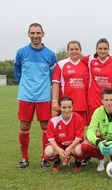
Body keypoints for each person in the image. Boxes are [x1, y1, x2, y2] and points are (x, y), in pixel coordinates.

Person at [14, 23, 56, 168]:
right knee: (24, 126)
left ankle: (45, 157)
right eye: (33, 33)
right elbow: (18, 72)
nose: (35, 35)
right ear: (28, 34)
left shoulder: (50, 54)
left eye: (38, 33)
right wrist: (26, 86)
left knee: (45, 126)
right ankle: (24, 158)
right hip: (26, 96)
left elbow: (52, 76)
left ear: (43, 34)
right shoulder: (21, 52)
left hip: (44, 96)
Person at [81, 38, 112, 124]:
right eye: (100, 48)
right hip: (94, 99)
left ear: (108, 50)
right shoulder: (90, 59)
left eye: (105, 49)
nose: (102, 51)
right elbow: (77, 62)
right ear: (96, 49)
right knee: (94, 126)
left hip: (110, 100)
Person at [52, 40, 89, 125]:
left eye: (76, 49)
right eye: (71, 49)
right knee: (66, 128)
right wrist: (54, 100)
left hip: (82, 104)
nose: (74, 51)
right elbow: (55, 83)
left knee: (80, 129)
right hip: (66, 104)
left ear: (80, 50)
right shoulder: (61, 64)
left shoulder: (85, 64)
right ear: (68, 50)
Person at [44, 97, 85, 172]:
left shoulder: (78, 118)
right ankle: (57, 162)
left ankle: (78, 162)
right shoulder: (53, 120)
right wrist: (58, 149)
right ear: (59, 107)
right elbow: (51, 139)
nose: (67, 110)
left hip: (73, 145)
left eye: (69, 107)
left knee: (80, 150)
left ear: (73, 106)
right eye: (64, 107)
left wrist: (70, 147)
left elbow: (79, 137)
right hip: (59, 145)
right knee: (48, 151)